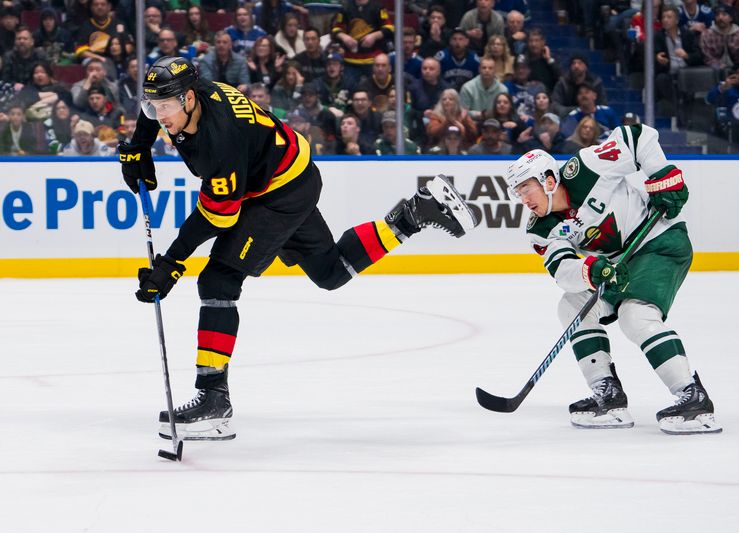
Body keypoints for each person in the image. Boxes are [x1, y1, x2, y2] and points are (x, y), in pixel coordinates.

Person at [117, 57, 477, 441]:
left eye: (166, 107)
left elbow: (218, 217)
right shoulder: (193, 96)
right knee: (330, 273)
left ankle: (214, 401)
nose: (159, 115)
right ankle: (411, 216)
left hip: (278, 194)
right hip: (290, 174)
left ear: (189, 99)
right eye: (152, 106)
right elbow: (156, 108)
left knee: (220, 279)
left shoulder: (219, 140)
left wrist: (171, 263)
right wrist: (140, 145)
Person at [504, 127, 722, 435]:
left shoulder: (585, 167)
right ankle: (608, 396)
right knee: (572, 306)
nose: (523, 199)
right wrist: (589, 270)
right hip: (620, 265)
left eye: (527, 188)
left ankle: (693, 397)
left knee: (636, 314)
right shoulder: (540, 229)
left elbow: (637, 137)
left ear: (549, 181)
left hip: (659, 240)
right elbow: (562, 270)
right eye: (518, 192)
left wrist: (662, 175)